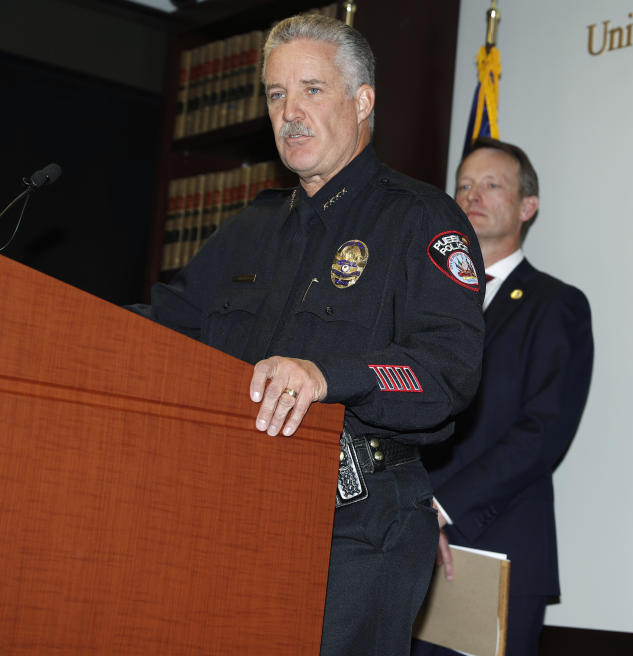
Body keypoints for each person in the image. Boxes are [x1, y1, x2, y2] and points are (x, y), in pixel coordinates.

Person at [132, 11, 484, 656]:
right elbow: (160, 327)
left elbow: (448, 371)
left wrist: (329, 376)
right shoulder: (250, 228)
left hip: (358, 526)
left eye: (312, 90)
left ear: (363, 100)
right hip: (233, 507)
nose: (290, 112)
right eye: (276, 93)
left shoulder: (421, 220)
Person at [413, 137, 594, 655]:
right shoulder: (424, 304)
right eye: (464, 185)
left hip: (495, 548)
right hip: (408, 545)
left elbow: (543, 431)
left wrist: (441, 509)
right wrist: (409, 510)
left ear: (527, 206)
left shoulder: (556, 305)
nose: (472, 195)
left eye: (491, 185)